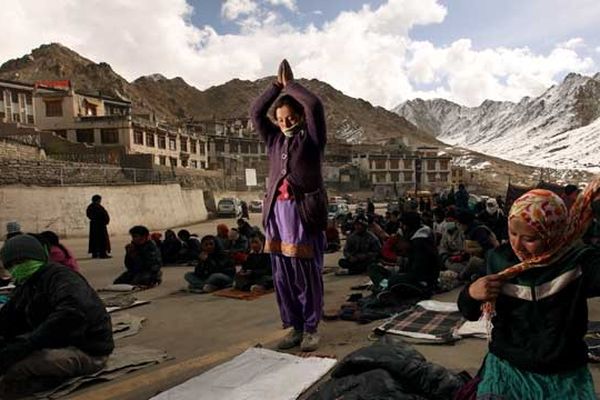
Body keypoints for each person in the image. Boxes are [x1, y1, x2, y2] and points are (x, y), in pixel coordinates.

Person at [458, 182, 600, 399]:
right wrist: (471, 293)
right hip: (507, 367)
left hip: (562, 374)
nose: (518, 244)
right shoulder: (500, 260)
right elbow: (469, 311)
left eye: (530, 238)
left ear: (552, 233)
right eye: (513, 233)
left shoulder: (578, 262)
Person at [250, 59, 327, 352]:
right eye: (280, 118)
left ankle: (310, 328)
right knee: (282, 274)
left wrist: (291, 86)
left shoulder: (312, 141)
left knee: (304, 272)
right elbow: (256, 112)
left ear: (300, 116)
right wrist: (275, 86)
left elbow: (315, 105)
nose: (285, 122)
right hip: (275, 215)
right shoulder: (273, 141)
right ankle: (293, 326)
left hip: (302, 215)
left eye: (291, 116)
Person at [0, 235, 113, 398]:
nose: (17, 267)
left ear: (38, 257)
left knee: (14, 369)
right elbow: (9, 316)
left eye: (23, 261)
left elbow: (71, 315)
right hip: (59, 343)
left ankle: (48, 381)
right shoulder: (27, 284)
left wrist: (26, 344)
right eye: (12, 265)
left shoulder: (62, 278)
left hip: (88, 350)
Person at [457, 209, 499, 280]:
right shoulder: (470, 231)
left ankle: (460, 278)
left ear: (465, 224)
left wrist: (471, 250)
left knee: (473, 262)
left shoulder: (479, 231)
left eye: (459, 224)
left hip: (489, 261)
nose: (459, 226)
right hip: (480, 258)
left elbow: (488, 248)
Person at [86, 194, 111, 259]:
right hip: (100, 226)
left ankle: (95, 253)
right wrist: (101, 220)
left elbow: (89, 215)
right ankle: (102, 254)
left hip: (96, 225)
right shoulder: (97, 207)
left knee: (95, 240)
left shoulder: (91, 207)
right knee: (102, 240)